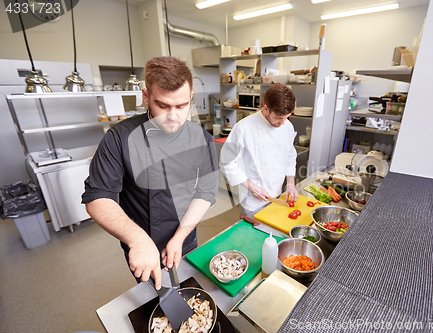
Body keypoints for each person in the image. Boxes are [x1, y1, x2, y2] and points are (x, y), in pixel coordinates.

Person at [82, 57, 218, 290]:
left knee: (190, 292)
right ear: (146, 97)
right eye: (163, 106)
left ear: (191, 99)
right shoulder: (119, 138)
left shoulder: (202, 140)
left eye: (182, 106)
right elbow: (98, 198)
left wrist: (180, 237)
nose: (173, 116)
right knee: (156, 298)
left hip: (185, 238)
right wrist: (137, 239)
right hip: (142, 245)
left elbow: (205, 193)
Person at [220, 83, 299, 217]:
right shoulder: (244, 127)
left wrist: (290, 184)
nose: (283, 122)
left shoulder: (287, 126)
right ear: (266, 108)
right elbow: (227, 163)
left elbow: (290, 155)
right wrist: (252, 187)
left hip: (278, 196)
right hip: (252, 200)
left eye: (287, 117)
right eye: (278, 118)